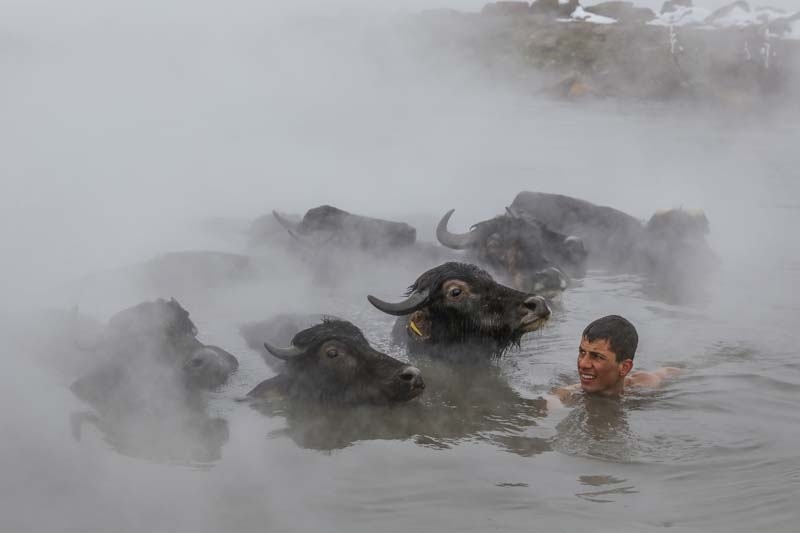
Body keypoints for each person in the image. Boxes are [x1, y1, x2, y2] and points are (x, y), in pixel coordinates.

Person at [549, 315, 680, 406]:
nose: (583, 364)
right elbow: (553, 400)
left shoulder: (645, 385)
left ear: (624, 368)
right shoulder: (567, 394)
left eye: (597, 356)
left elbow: (667, 371)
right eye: (582, 353)